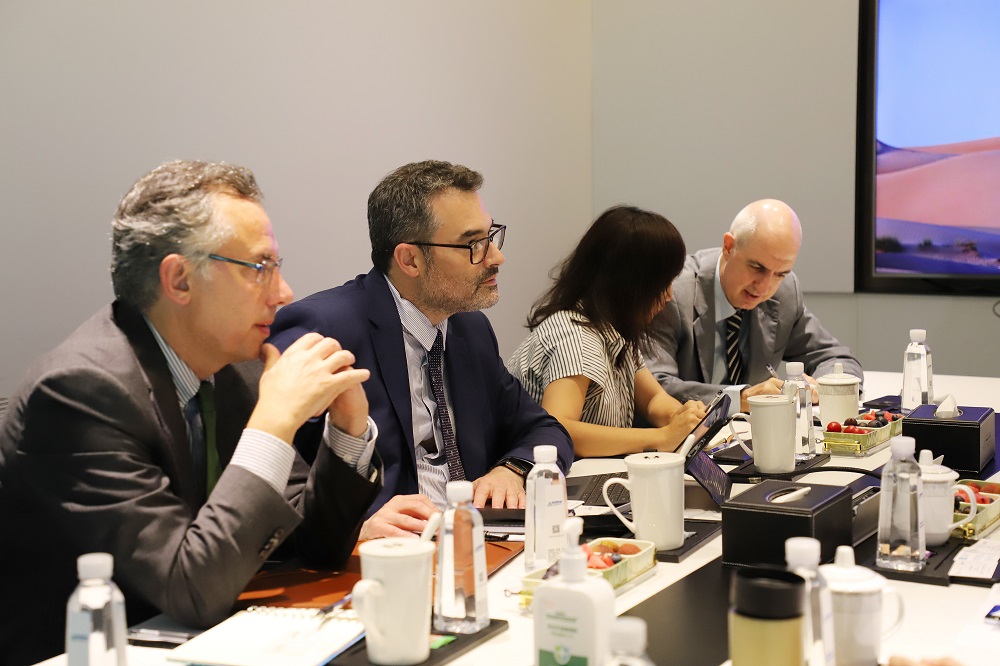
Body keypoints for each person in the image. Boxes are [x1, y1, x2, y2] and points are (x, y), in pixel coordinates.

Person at [0, 161, 382, 666]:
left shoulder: (236, 371)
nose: (284, 292)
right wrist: (274, 423)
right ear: (179, 280)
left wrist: (348, 430)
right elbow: (192, 588)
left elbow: (310, 549)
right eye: (259, 268)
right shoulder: (78, 393)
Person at [268, 160, 573, 539]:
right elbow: (268, 484)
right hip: (383, 556)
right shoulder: (324, 330)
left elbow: (544, 429)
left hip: (477, 543)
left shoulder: (469, 328)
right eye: (473, 244)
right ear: (409, 259)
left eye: (491, 236)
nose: (496, 257)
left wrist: (512, 470)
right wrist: (355, 528)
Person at [506, 206, 707, 457]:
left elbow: (653, 399)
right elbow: (560, 428)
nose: (668, 296)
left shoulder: (613, 330)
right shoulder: (576, 337)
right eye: (662, 284)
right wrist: (662, 437)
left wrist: (682, 418)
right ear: (628, 284)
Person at [646, 198, 863, 413]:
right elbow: (654, 387)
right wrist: (739, 398)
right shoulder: (672, 294)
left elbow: (836, 358)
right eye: (757, 268)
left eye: (780, 274)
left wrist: (822, 388)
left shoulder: (785, 293)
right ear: (728, 247)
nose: (765, 287)